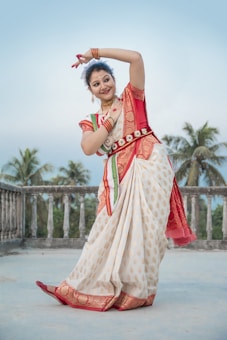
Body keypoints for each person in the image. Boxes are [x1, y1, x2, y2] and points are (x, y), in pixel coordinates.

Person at [36, 48, 196, 311]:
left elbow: (136, 58)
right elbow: (89, 147)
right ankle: (76, 285)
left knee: (148, 231)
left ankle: (139, 291)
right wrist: (109, 122)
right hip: (117, 175)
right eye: (96, 84)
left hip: (148, 166)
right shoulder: (92, 121)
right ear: (91, 91)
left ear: (114, 79)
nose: (103, 86)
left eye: (106, 79)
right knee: (104, 231)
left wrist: (95, 52)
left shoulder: (132, 97)